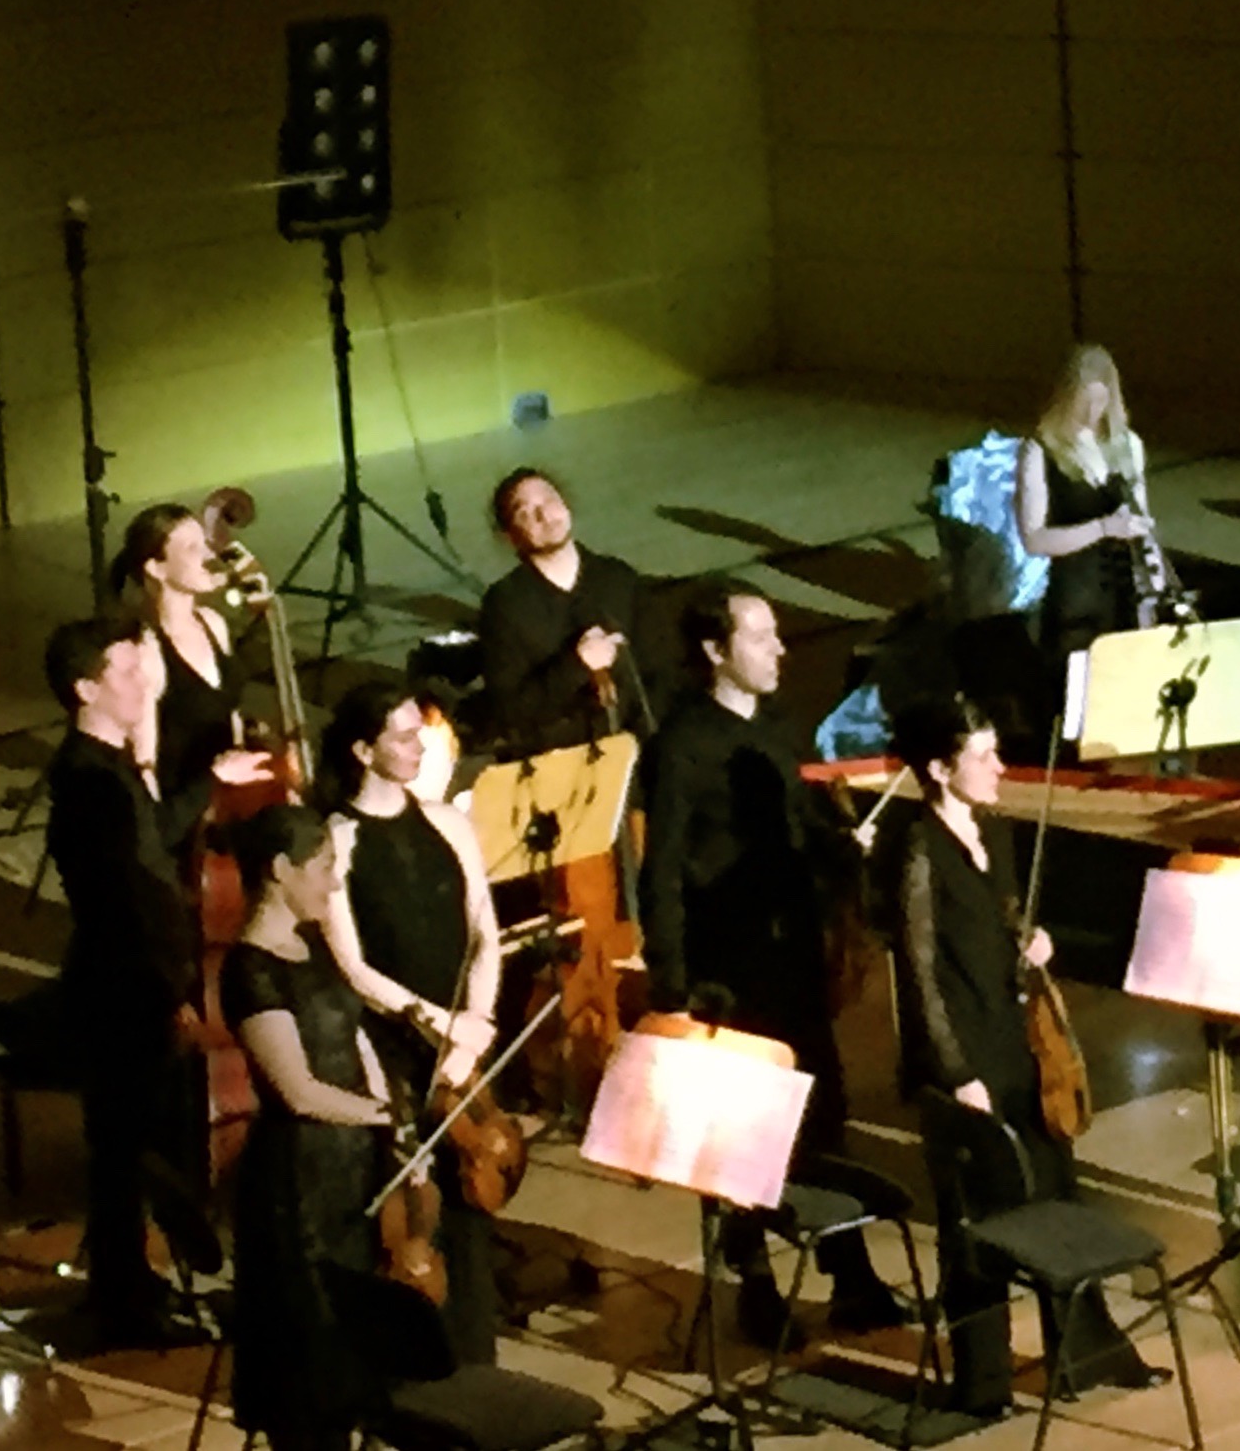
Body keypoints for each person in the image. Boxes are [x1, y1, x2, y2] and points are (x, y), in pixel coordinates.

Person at [881, 695, 1169, 1413]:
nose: (999, 766)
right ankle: (980, 1383)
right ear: (941, 769)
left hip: (1017, 1046)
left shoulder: (994, 831)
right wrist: (956, 1076)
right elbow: (918, 974)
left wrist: (1030, 939)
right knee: (977, 1223)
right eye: (982, 755)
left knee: (1054, 1194)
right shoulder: (918, 850)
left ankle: (1085, 1352)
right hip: (965, 1059)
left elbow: (1001, 919)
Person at [643, 581, 902, 1343]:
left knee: (826, 1114)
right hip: (731, 967)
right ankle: (755, 1281)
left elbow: (801, 823)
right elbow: (659, 870)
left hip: (794, 954)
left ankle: (849, 1271)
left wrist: (839, 847)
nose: (780, 649)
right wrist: (672, 986)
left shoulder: (781, 725)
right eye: (759, 637)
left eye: (776, 633)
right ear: (715, 651)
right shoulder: (683, 742)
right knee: (748, 1132)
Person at [316, 679, 504, 1365]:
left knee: (470, 1204)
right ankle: (418, 1373)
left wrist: (478, 1019)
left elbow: (485, 930)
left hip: (462, 1043)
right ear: (363, 750)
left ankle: (478, 1365)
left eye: (416, 730)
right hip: (395, 1048)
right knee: (412, 1215)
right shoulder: (338, 838)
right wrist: (438, 1025)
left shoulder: (449, 822)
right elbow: (354, 967)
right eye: (400, 734)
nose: (417, 743)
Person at [42, 615, 210, 1343]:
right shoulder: (88, 782)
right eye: (128, 671)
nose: (145, 682)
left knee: (135, 1145)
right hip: (123, 988)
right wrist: (168, 990)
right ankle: (126, 1300)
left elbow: (154, 841)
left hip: (136, 982)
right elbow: (124, 898)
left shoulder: (111, 771)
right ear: (86, 688)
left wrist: (204, 781)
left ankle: (135, 1288)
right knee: (128, 1150)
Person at [218, 805, 394, 1451]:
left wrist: (388, 1113)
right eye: (322, 867)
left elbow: (351, 1036)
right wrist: (385, 1116)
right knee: (311, 1371)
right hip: (300, 1188)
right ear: (280, 869)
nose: (333, 882)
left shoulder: (314, 941)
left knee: (356, 1356)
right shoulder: (250, 969)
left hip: (352, 1169)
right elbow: (298, 1091)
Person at [109, 502, 274, 840]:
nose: (208, 556)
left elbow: (229, 712)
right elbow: (145, 764)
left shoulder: (213, 623)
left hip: (231, 798)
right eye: (192, 548)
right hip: (188, 813)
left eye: (205, 543)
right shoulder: (147, 650)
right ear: (156, 568)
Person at [477, 467, 650, 754]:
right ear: (511, 536)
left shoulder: (617, 578)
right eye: (525, 512)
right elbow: (509, 711)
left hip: (639, 750)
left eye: (549, 500)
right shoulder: (504, 606)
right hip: (565, 763)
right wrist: (576, 665)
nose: (544, 515)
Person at [1015, 344, 1162, 680]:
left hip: (1124, 598)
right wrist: (1103, 528)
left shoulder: (1127, 446)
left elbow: (1144, 525)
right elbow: (1034, 539)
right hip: (1075, 603)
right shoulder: (1041, 450)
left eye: (1101, 401)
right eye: (1085, 402)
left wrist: (1154, 589)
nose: (1093, 411)